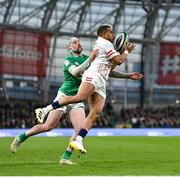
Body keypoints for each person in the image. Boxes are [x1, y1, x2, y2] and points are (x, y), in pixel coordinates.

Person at [10, 36, 142, 164]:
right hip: (64, 95)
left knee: (80, 130)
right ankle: (21, 138)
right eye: (74, 42)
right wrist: (90, 59)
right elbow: (76, 72)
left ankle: (65, 157)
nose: (78, 44)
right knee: (48, 126)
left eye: (79, 42)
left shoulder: (87, 58)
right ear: (70, 47)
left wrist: (127, 76)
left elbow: (107, 71)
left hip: (78, 99)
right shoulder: (68, 60)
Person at [35, 25, 136, 154]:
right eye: (111, 33)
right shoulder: (104, 43)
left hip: (101, 80)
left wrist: (128, 75)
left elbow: (111, 68)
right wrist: (126, 51)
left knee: (95, 113)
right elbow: (119, 61)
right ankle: (45, 110)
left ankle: (78, 140)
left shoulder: (107, 46)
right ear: (104, 34)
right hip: (93, 76)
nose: (113, 35)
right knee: (80, 97)